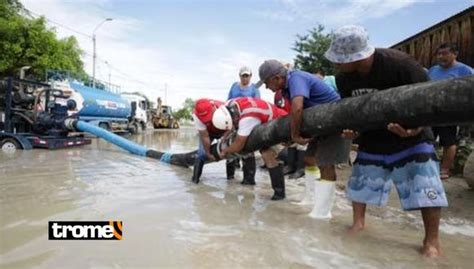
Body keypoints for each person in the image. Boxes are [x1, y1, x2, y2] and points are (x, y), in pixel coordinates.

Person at [325, 25, 448, 257]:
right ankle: (358, 224)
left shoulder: (402, 65)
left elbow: (430, 100)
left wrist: (416, 129)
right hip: (372, 138)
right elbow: (352, 111)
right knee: (359, 184)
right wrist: (354, 131)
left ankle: (432, 241)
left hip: (412, 136)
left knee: (426, 186)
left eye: (340, 59)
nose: (336, 64)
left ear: (358, 56)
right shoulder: (344, 79)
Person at [258, 59, 351, 218]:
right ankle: (310, 199)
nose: (267, 87)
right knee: (309, 159)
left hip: (334, 121)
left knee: (326, 164)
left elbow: (298, 107)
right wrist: (291, 137)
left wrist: (294, 135)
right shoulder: (286, 87)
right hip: (320, 123)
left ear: (276, 78)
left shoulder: (296, 78)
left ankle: (322, 212)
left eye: (267, 82)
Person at [212, 97, 288, 200]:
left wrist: (225, 150)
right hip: (266, 124)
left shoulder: (248, 119)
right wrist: (224, 137)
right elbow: (232, 126)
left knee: (268, 155)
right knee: (265, 152)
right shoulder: (231, 104)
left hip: (280, 125)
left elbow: (239, 145)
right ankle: (279, 192)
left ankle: (280, 194)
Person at [428, 43, 474, 179]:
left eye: (445, 53)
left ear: (455, 54)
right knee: (427, 141)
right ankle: (429, 167)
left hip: (450, 112)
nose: (441, 56)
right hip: (430, 111)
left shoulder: (465, 70)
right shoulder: (433, 70)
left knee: (448, 141)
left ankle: (445, 170)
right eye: (439, 54)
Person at [226, 66, 261, 180]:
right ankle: (230, 176)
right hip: (233, 119)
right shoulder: (234, 86)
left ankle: (249, 179)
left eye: (247, 75)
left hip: (248, 120)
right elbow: (228, 101)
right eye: (243, 75)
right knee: (230, 143)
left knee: (247, 147)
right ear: (239, 76)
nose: (245, 78)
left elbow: (258, 104)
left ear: (250, 76)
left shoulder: (254, 88)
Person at [191, 98, 226, 184]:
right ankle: (195, 181)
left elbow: (231, 128)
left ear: (213, 108)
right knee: (201, 154)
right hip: (209, 132)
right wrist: (208, 153)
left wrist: (224, 140)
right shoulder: (196, 115)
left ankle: (231, 178)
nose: (207, 119)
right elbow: (205, 136)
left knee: (229, 150)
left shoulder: (224, 109)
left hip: (225, 131)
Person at [274, 89, 305, 179]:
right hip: (287, 118)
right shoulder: (279, 93)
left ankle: (300, 168)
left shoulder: (297, 89)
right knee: (291, 143)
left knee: (301, 144)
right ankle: (290, 166)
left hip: (299, 117)